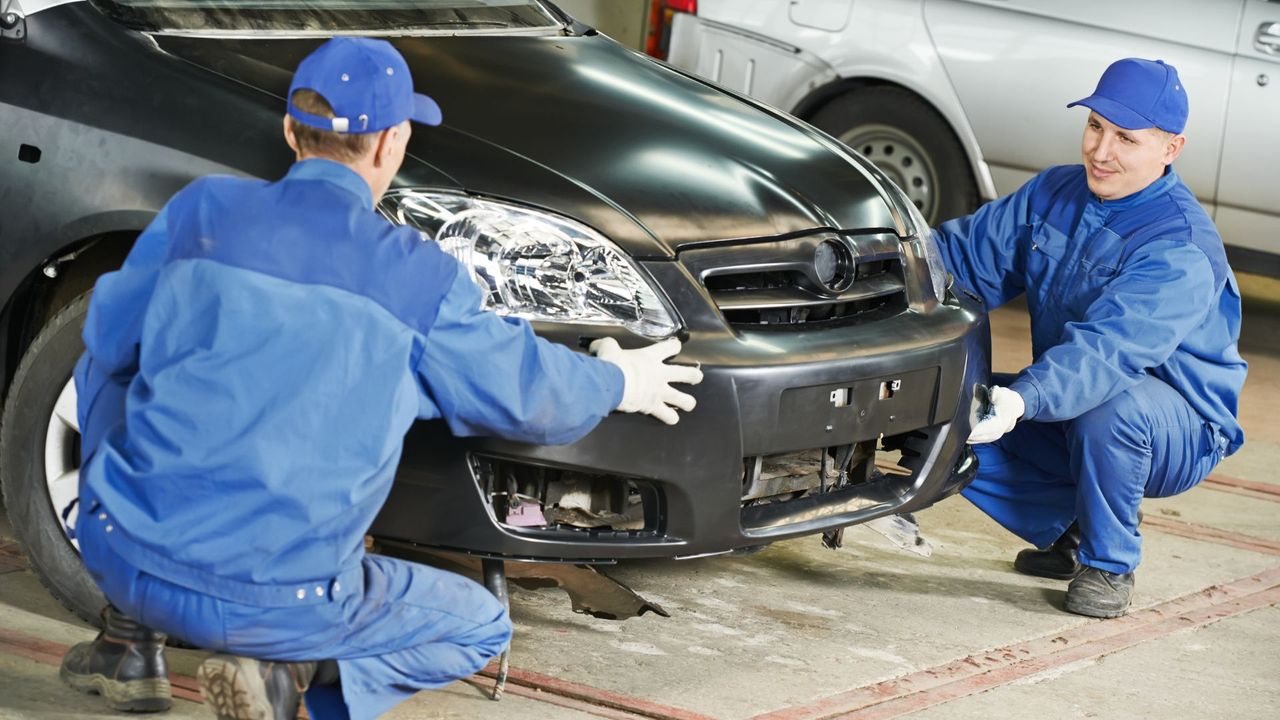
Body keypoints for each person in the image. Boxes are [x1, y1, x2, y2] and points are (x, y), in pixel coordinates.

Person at [58, 37, 702, 720]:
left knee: (107, 349)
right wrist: (619, 380)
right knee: (477, 625)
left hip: (121, 551)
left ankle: (128, 643)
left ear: (289, 131)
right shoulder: (415, 278)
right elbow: (529, 393)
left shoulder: (201, 213)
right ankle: (294, 680)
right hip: (283, 605)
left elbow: (109, 344)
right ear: (393, 143)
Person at [934, 58, 1246, 619]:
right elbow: (960, 259)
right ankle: (1070, 525)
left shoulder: (1179, 247)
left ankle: (1110, 563)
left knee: (1113, 413)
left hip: (1177, 428)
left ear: (1171, 149)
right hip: (1072, 401)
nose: (1101, 152)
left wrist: (1025, 398)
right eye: (1096, 126)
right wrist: (880, 260)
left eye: (1127, 138)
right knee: (937, 420)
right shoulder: (1054, 192)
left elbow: (1109, 352)